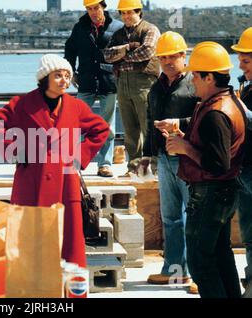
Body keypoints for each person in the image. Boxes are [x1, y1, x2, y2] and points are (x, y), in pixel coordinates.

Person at [0, 54, 109, 267]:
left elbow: (101, 129)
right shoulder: (22, 104)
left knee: (68, 240)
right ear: (44, 78)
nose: (64, 81)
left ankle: (69, 288)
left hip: (65, 181)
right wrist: (16, 149)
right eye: (58, 75)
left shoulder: (75, 106)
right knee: (29, 238)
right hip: (31, 180)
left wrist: (78, 157)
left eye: (67, 76)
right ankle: (31, 285)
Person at [166, 42, 247, 298]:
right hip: (222, 194)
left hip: (210, 195)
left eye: (196, 75)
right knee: (221, 256)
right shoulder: (228, 101)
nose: (192, 80)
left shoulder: (215, 112)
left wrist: (185, 148)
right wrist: (187, 141)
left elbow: (218, 163)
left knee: (201, 263)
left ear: (209, 77)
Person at [139, 32, 198, 291]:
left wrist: (180, 126)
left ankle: (199, 274)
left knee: (195, 217)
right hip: (165, 160)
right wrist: (149, 155)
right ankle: (175, 270)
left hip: (188, 159)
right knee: (171, 217)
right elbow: (150, 119)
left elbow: (206, 121)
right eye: (163, 57)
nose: (167, 61)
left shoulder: (195, 85)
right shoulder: (156, 87)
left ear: (183, 56)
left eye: (173, 56)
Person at [65, 0, 123, 178]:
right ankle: (77, 161)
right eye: (89, 9)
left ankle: (105, 164)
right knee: (77, 124)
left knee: (107, 126)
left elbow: (125, 53)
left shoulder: (118, 27)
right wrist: (70, 72)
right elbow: (70, 50)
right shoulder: (79, 27)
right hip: (86, 81)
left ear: (104, 7)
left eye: (96, 8)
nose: (93, 12)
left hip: (109, 81)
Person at [103, 0, 160, 175]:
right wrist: (128, 48)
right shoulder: (119, 33)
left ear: (139, 12)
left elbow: (147, 51)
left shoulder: (150, 29)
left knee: (148, 127)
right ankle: (135, 168)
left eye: (130, 12)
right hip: (123, 83)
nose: (126, 16)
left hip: (144, 84)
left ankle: (155, 168)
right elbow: (107, 55)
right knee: (130, 130)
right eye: (123, 13)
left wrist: (120, 56)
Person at [232, 27, 252, 292]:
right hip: (244, 170)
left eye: (246, 60)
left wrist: (240, 110)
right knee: (249, 234)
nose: (240, 65)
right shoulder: (246, 87)